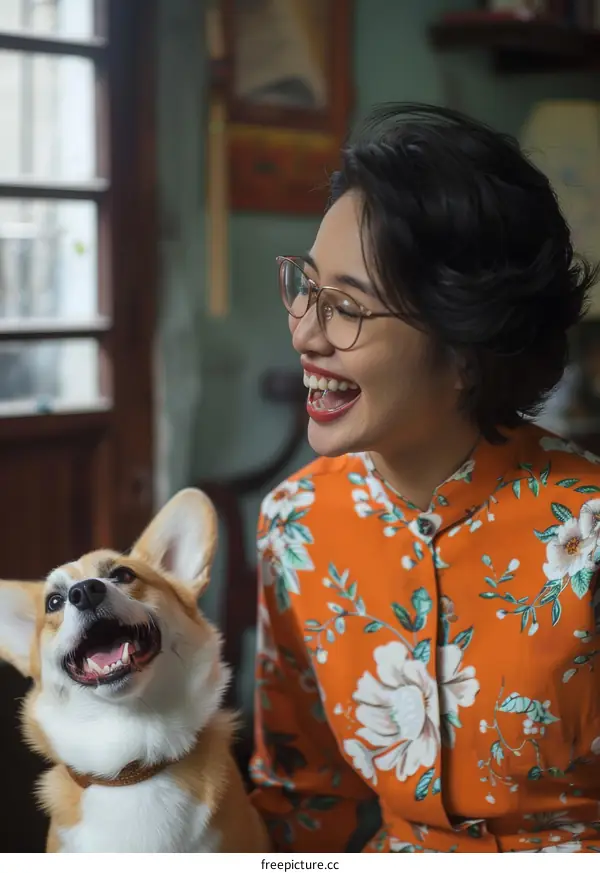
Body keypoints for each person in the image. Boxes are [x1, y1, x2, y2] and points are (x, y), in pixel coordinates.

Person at [247, 103, 600, 853]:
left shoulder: (588, 530)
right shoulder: (296, 524)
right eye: (306, 286)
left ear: (467, 346)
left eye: (345, 305)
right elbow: (300, 804)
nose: (305, 332)